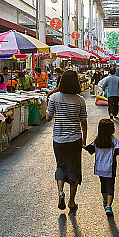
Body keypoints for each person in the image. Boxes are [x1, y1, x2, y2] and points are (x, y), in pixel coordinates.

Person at [46, 70, 88, 211]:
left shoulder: (54, 97)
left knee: (61, 165)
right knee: (74, 168)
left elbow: (48, 118)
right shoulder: (80, 100)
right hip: (75, 138)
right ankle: (71, 201)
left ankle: (60, 192)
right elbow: (83, 120)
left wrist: (53, 109)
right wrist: (85, 138)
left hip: (58, 138)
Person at [84, 118, 119, 217]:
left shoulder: (97, 140)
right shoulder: (114, 140)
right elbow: (118, 151)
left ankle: (104, 200)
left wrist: (82, 145)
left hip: (100, 168)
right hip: (110, 168)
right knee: (110, 186)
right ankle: (108, 205)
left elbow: (90, 149)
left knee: (103, 186)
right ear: (112, 129)